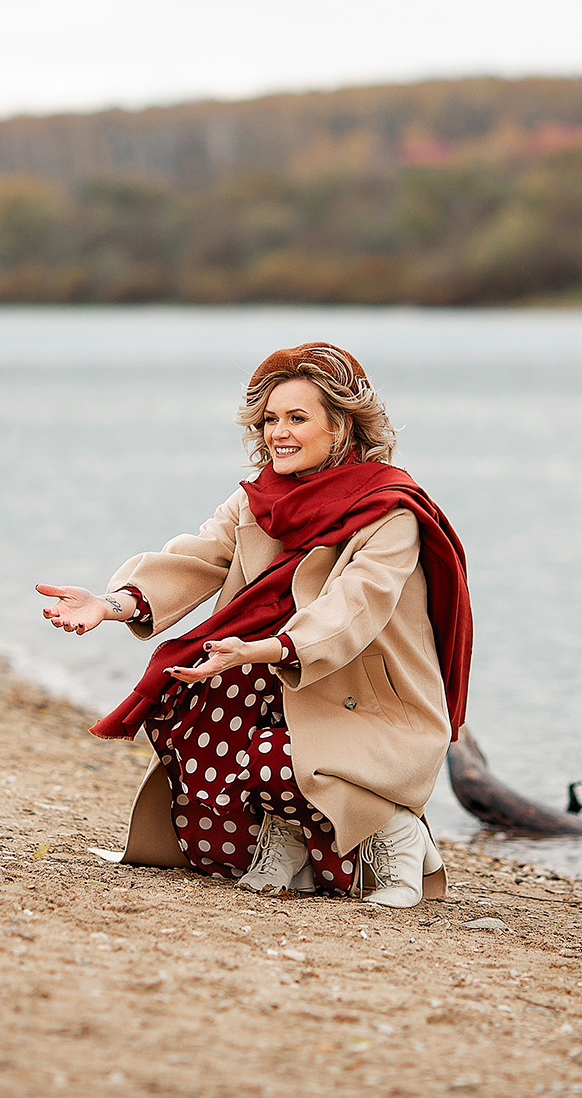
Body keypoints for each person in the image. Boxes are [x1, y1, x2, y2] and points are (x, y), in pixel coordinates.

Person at [38, 343, 472, 906]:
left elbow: (350, 612)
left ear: (342, 425)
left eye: (297, 418)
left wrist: (258, 650)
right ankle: (289, 838)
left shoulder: (390, 512)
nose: (278, 433)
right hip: (276, 677)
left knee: (273, 756)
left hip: (362, 695)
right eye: (270, 419)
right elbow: (195, 559)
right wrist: (108, 604)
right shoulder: (258, 501)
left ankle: (398, 835)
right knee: (188, 712)